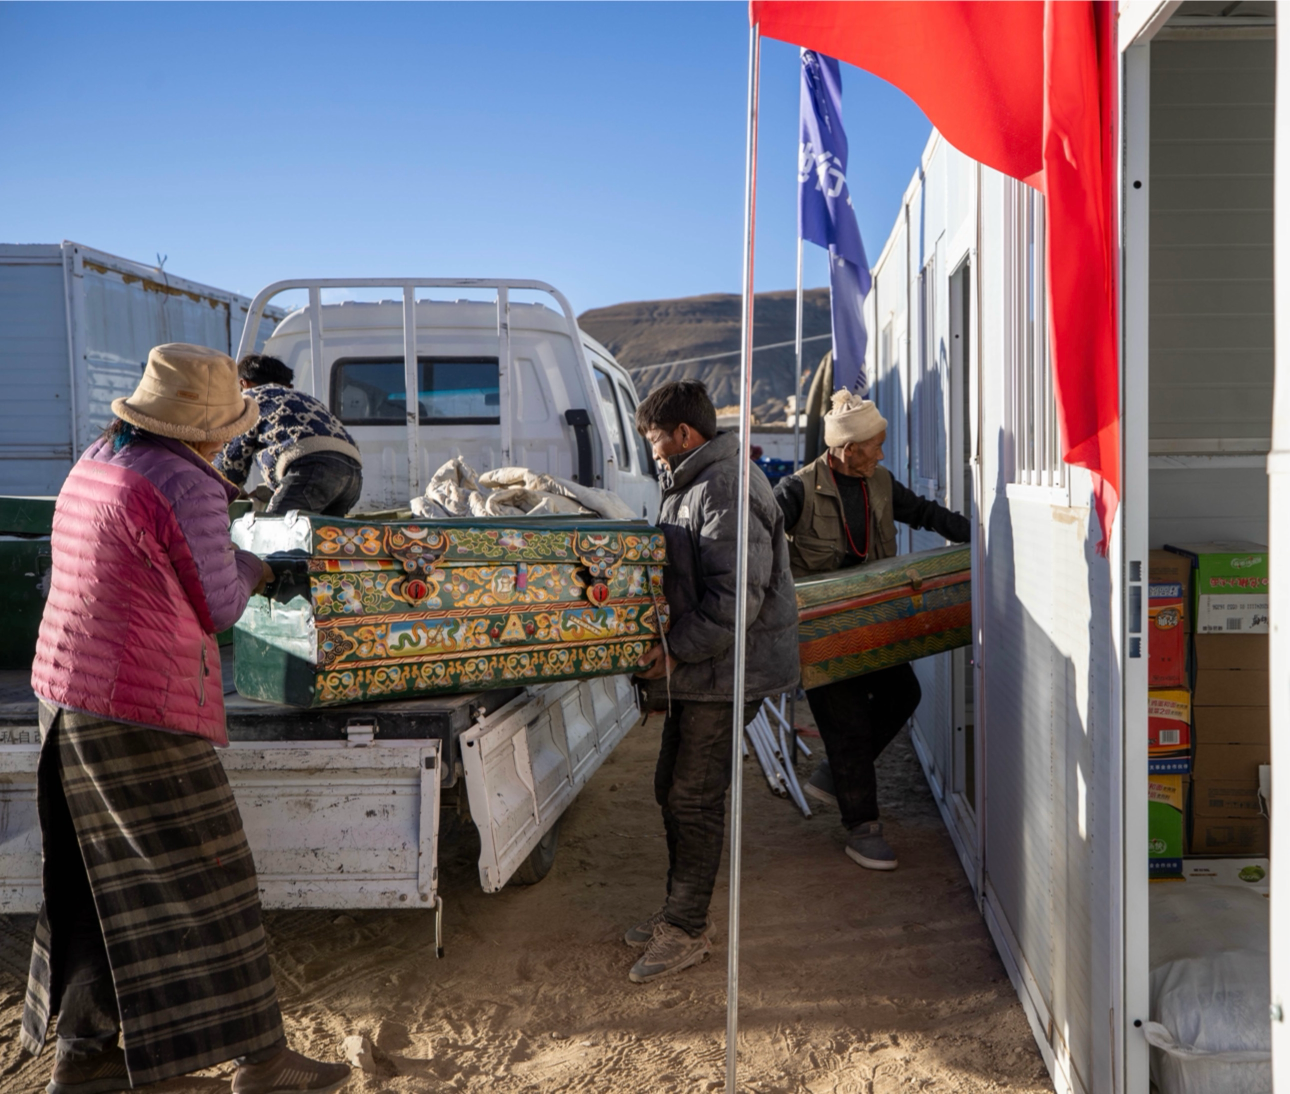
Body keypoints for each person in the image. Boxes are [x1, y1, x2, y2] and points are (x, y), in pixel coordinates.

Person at [24, 343, 351, 1094]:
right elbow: (221, 604)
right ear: (208, 430)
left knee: (93, 883)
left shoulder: (100, 457)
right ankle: (261, 1062)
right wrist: (257, 564)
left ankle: (84, 1060)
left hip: (65, 691)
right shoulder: (186, 484)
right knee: (211, 880)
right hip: (138, 706)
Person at [629, 380, 799, 984]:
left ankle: (686, 927)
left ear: (684, 434)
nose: (652, 452)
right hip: (705, 668)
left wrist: (674, 651)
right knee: (670, 787)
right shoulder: (692, 481)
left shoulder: (725, 485)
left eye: (655, 439)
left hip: (728, 670)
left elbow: (735, 601)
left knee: (693, 796)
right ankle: (679, 909)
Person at [774, 389, 970, 871]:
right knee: (845, 723)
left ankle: (835, 774)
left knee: (903, 694)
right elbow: (758, 542)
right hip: (821, 631)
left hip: (872, 622)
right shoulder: (796, 491)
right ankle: (862, 827)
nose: (881, 455)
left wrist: (978, 536)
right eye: (875, 447)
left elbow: (924, 512)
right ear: (847, 450)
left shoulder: (879, 482)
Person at [215, 353, 363, 516]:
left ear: (243, 383)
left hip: (311, 468)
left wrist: (222, 495)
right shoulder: (305, 399)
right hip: (353, 474)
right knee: (323, 531)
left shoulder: (249, 399)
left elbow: (230, 462)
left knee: (274, 527)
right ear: (288, 385)